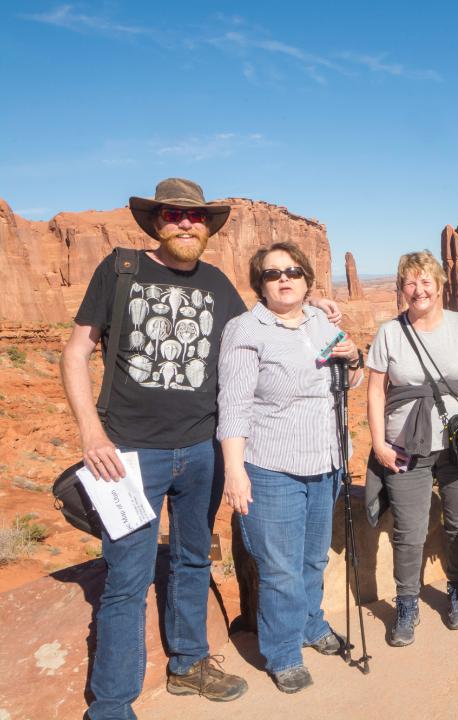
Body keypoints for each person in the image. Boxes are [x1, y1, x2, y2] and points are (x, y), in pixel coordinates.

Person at [60, 178, 339, 719]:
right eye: (173, 214)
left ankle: (188, 665)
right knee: (126, 578)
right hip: (128, 455)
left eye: (196, 216)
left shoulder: (215, 283)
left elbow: (265, 326)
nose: (185, 223)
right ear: (156, 221)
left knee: (191, 561)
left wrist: (315, 309)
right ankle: (112, 705)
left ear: (209, 226)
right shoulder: (119, 269)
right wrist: (91, 433)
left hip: (203, 450)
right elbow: (76, 353)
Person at [217, 242, 361, 693]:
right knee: (279, 567)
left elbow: (348, 381)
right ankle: (282, 653)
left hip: (327, 461)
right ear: (259, 283)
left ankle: (311, 624)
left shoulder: (321, 320)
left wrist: (353, 359)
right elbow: (234, 406)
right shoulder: (245, 330)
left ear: (307, 279)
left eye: (294, 271)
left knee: (313, 558)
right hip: (271, 467)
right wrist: (235, 472)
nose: (285, 278)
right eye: (273, 272)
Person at [365, 250, 458, 647]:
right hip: (405, 447)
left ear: (440, 284)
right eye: (410, 282)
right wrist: (378, 444)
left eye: (426, 280)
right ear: (401, 289)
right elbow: (376, 391)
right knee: (409, 531)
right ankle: (407, 603)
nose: (419, 289)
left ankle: (457, 594)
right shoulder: (389, 333)